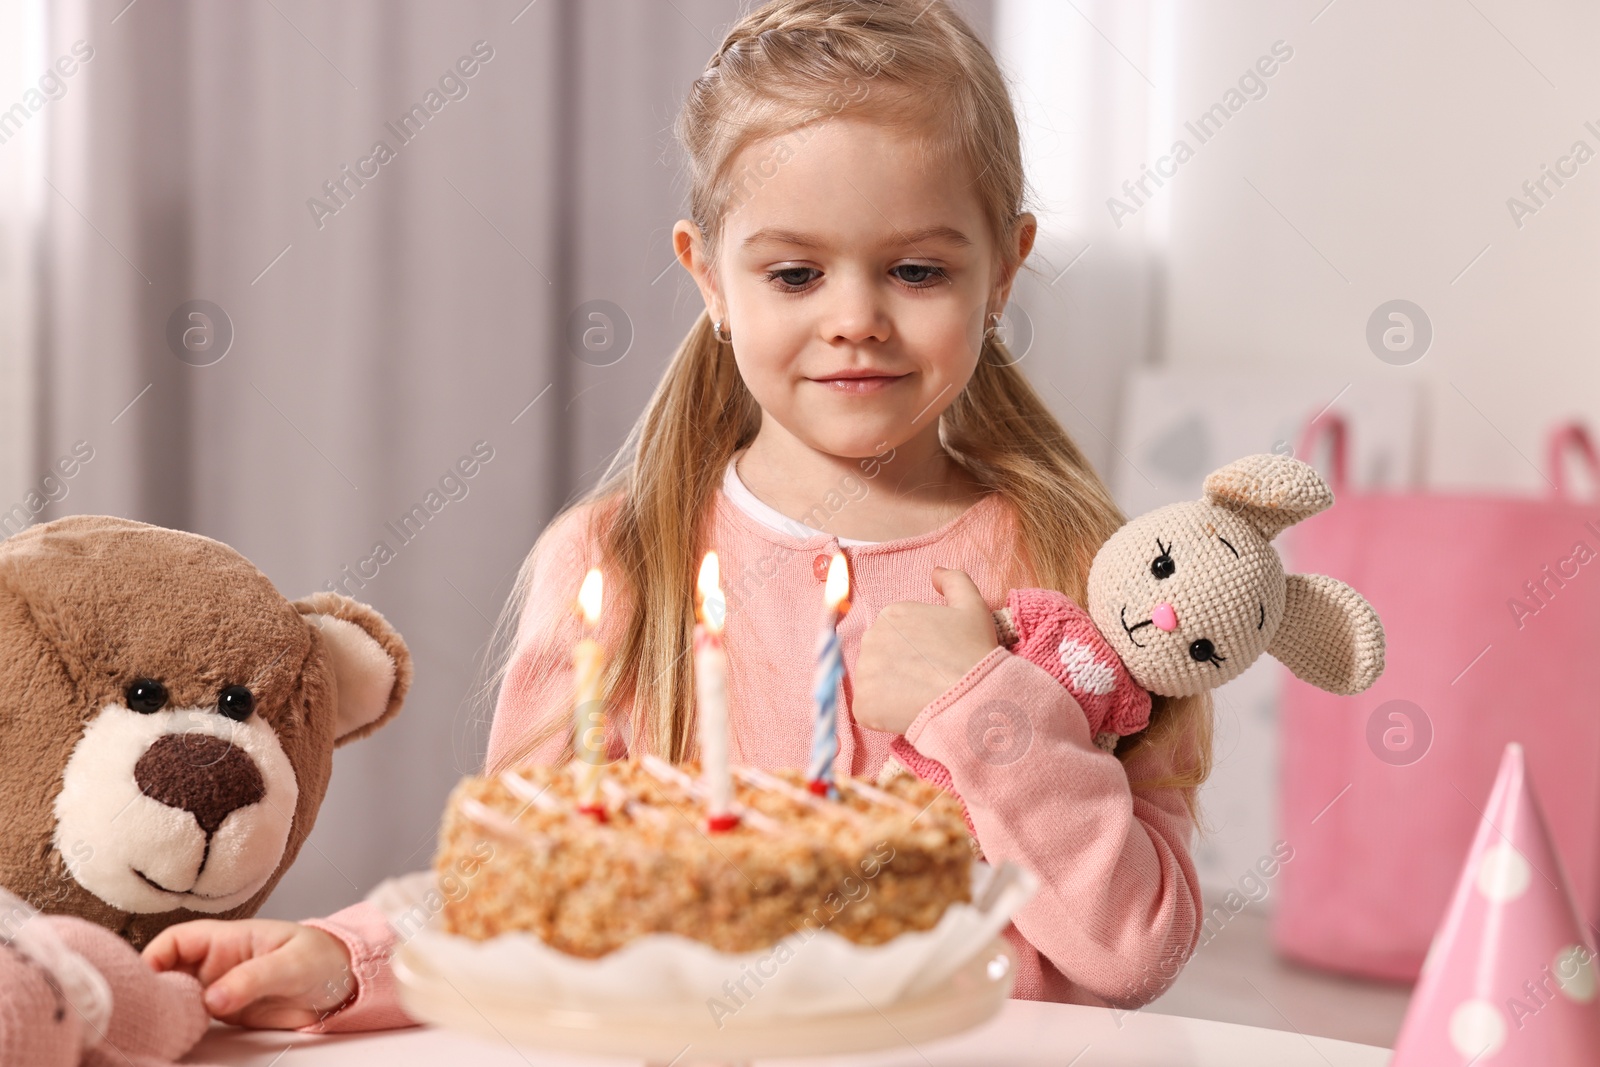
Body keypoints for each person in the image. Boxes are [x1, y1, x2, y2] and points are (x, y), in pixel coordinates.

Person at [142, 0, 1214, 1031]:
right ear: (707, 276)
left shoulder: (1082, 570)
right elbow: (524, 883)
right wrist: (348, 958)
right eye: (794, 272)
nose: (854, 319)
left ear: (1004, 269)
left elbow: (1134, 948)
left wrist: (984, 707)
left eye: (917, 269)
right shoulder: (618, 564)